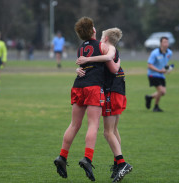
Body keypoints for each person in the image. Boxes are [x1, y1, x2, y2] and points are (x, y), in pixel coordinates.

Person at [53, 17, 120, 182]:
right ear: (94, 30)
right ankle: (87, 159)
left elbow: (85, 64)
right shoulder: (103, 46)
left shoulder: (81, 48)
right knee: (93, 124)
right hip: (93, 87)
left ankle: (62, 156)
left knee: (74, 124)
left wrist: (80, 66)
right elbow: (110, 57)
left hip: (78, 86)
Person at [76, 28, 132, 182]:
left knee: (107, 132)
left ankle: (122, 163)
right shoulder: (107, 49)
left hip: (112, 91)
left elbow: (112, 67)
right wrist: (79, 67)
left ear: (106, 38)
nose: (99, 39)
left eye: (101, 36)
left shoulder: (110, 48)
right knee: (113, 130)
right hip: (117, 90)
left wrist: (86, 60)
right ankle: (117, 165)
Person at [145, 36, 173, 112]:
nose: (166, 44)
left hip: (161, 75)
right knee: (160, 91)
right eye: (164, 42)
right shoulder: (155, 53)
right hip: (152, 74)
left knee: (163, 92)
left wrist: (168, 69)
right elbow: (149, 65)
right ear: (160, 43)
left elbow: (165, 63)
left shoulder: (169, 53)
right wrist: (159, 70)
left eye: (167, 42)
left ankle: (149, 97)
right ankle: (156, 107)